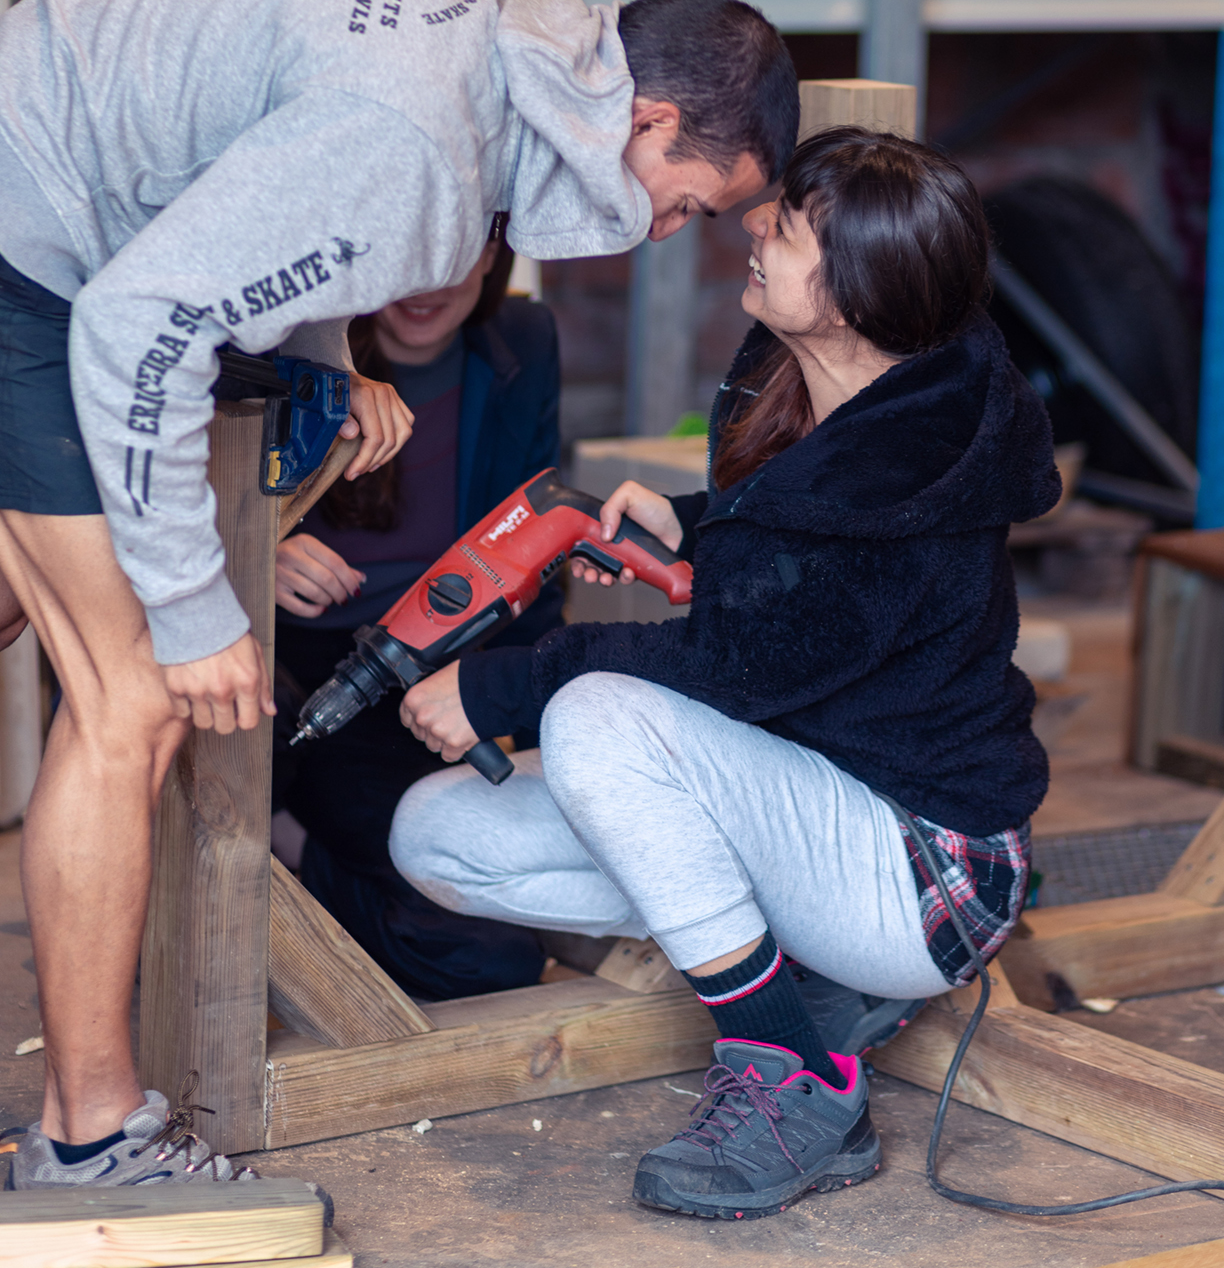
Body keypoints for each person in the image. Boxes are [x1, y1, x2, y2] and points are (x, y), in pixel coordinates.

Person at [0, 0, 796, 1193]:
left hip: (42, 177)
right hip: (34, 247)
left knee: (27, 603)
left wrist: (323, 358)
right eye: (686, 203)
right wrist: (196, 607)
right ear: (647, 122)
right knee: (134, 697)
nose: (663, 233)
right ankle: (92, 1141)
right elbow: (137, 323)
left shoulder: (475, 9)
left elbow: (274, 170)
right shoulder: (420, 143)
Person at [387, 126, 1059, 1224]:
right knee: (437, 835)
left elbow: (736, 665)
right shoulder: (856, 384)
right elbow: (797, 553)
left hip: (923, 873)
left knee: (596, 713)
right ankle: (809, 984)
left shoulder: (901, 472)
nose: (751, 224)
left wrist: (502, 687)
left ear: (852, 292)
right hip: (814, 812)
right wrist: (695, 521)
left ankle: (791, 1075)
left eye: (783, 228)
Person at [271, 221, 563, 999]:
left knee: (492, 955)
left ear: (494, 252)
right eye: (411, 249)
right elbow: (173, 495)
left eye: (456, 249)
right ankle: (273, 842)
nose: (428, 282)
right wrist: (259, 548)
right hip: (288, 664)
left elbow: (535, 551)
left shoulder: (525, 340)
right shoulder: (290, 336)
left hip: (422, 678)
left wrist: (550, 738)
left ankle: (291, 860)